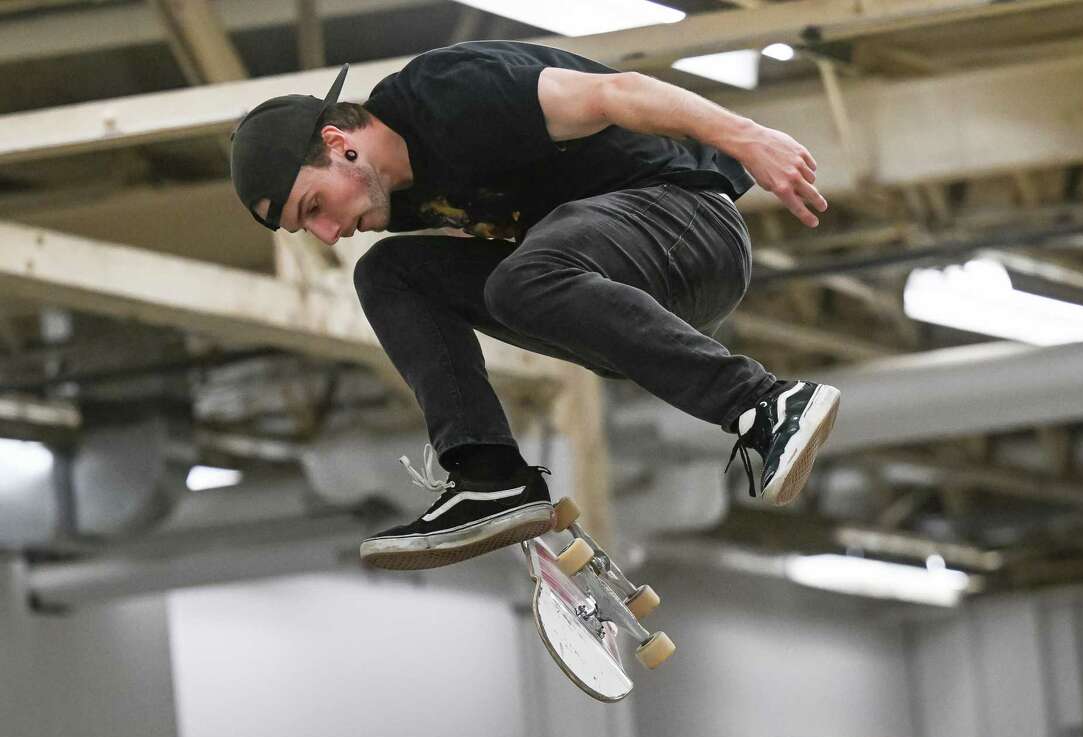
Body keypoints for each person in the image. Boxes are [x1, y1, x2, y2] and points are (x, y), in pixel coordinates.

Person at [229, 40, 840, 571]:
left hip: (688, 223)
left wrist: (750, 137)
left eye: (314, 207)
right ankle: (488, 475)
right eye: (306, 228)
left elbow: (614, 92)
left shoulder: (446, 95)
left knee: (521, 280)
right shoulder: (400, 204)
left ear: (338, 144)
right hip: (621, 299)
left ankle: (764, 402)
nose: (330, 233)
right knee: (390, 274)